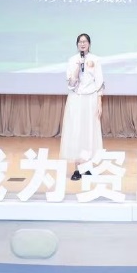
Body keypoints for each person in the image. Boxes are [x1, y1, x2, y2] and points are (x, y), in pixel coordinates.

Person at [59, 32, 104, 181]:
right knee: (77, 132)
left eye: (85, 41)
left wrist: (99, 103)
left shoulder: (95, 60)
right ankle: (77, 169)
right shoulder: (73, 60)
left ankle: (87, 167)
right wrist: (78, 67)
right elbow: (71, 83)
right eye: (80, 42)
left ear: (89, 44)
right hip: (76, 99)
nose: (82, 44)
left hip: (91, 99)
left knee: (89, 132)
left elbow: (99, 82)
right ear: (77, 45)